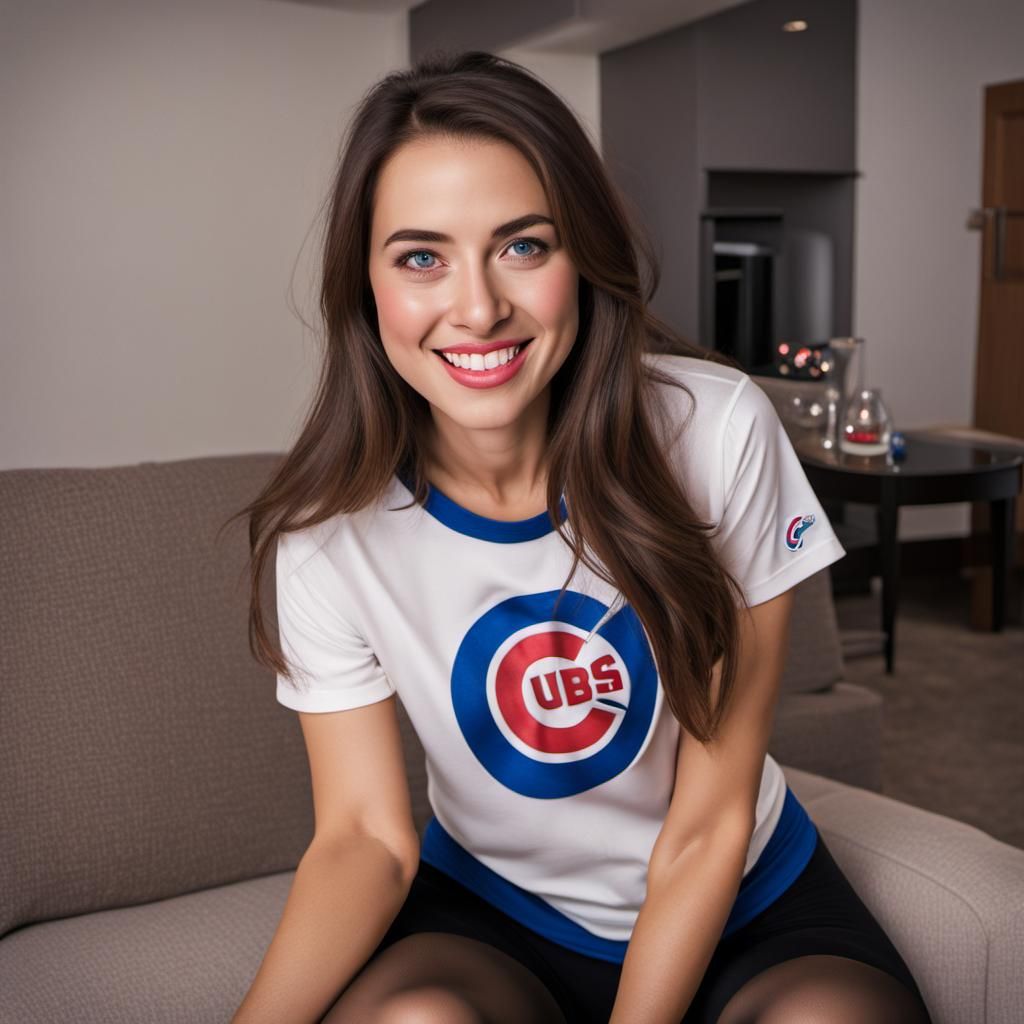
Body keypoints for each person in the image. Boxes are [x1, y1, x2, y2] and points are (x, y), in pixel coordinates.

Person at [229, 50, 932, 1024]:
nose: (476, 307)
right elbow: (365, 841)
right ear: (366, 284)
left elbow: (708, 820)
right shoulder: (326, 538)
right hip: (492, 914)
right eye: (421, 256)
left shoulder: (714, 429)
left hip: (741, 898)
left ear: (581, 257)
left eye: (521, 246)